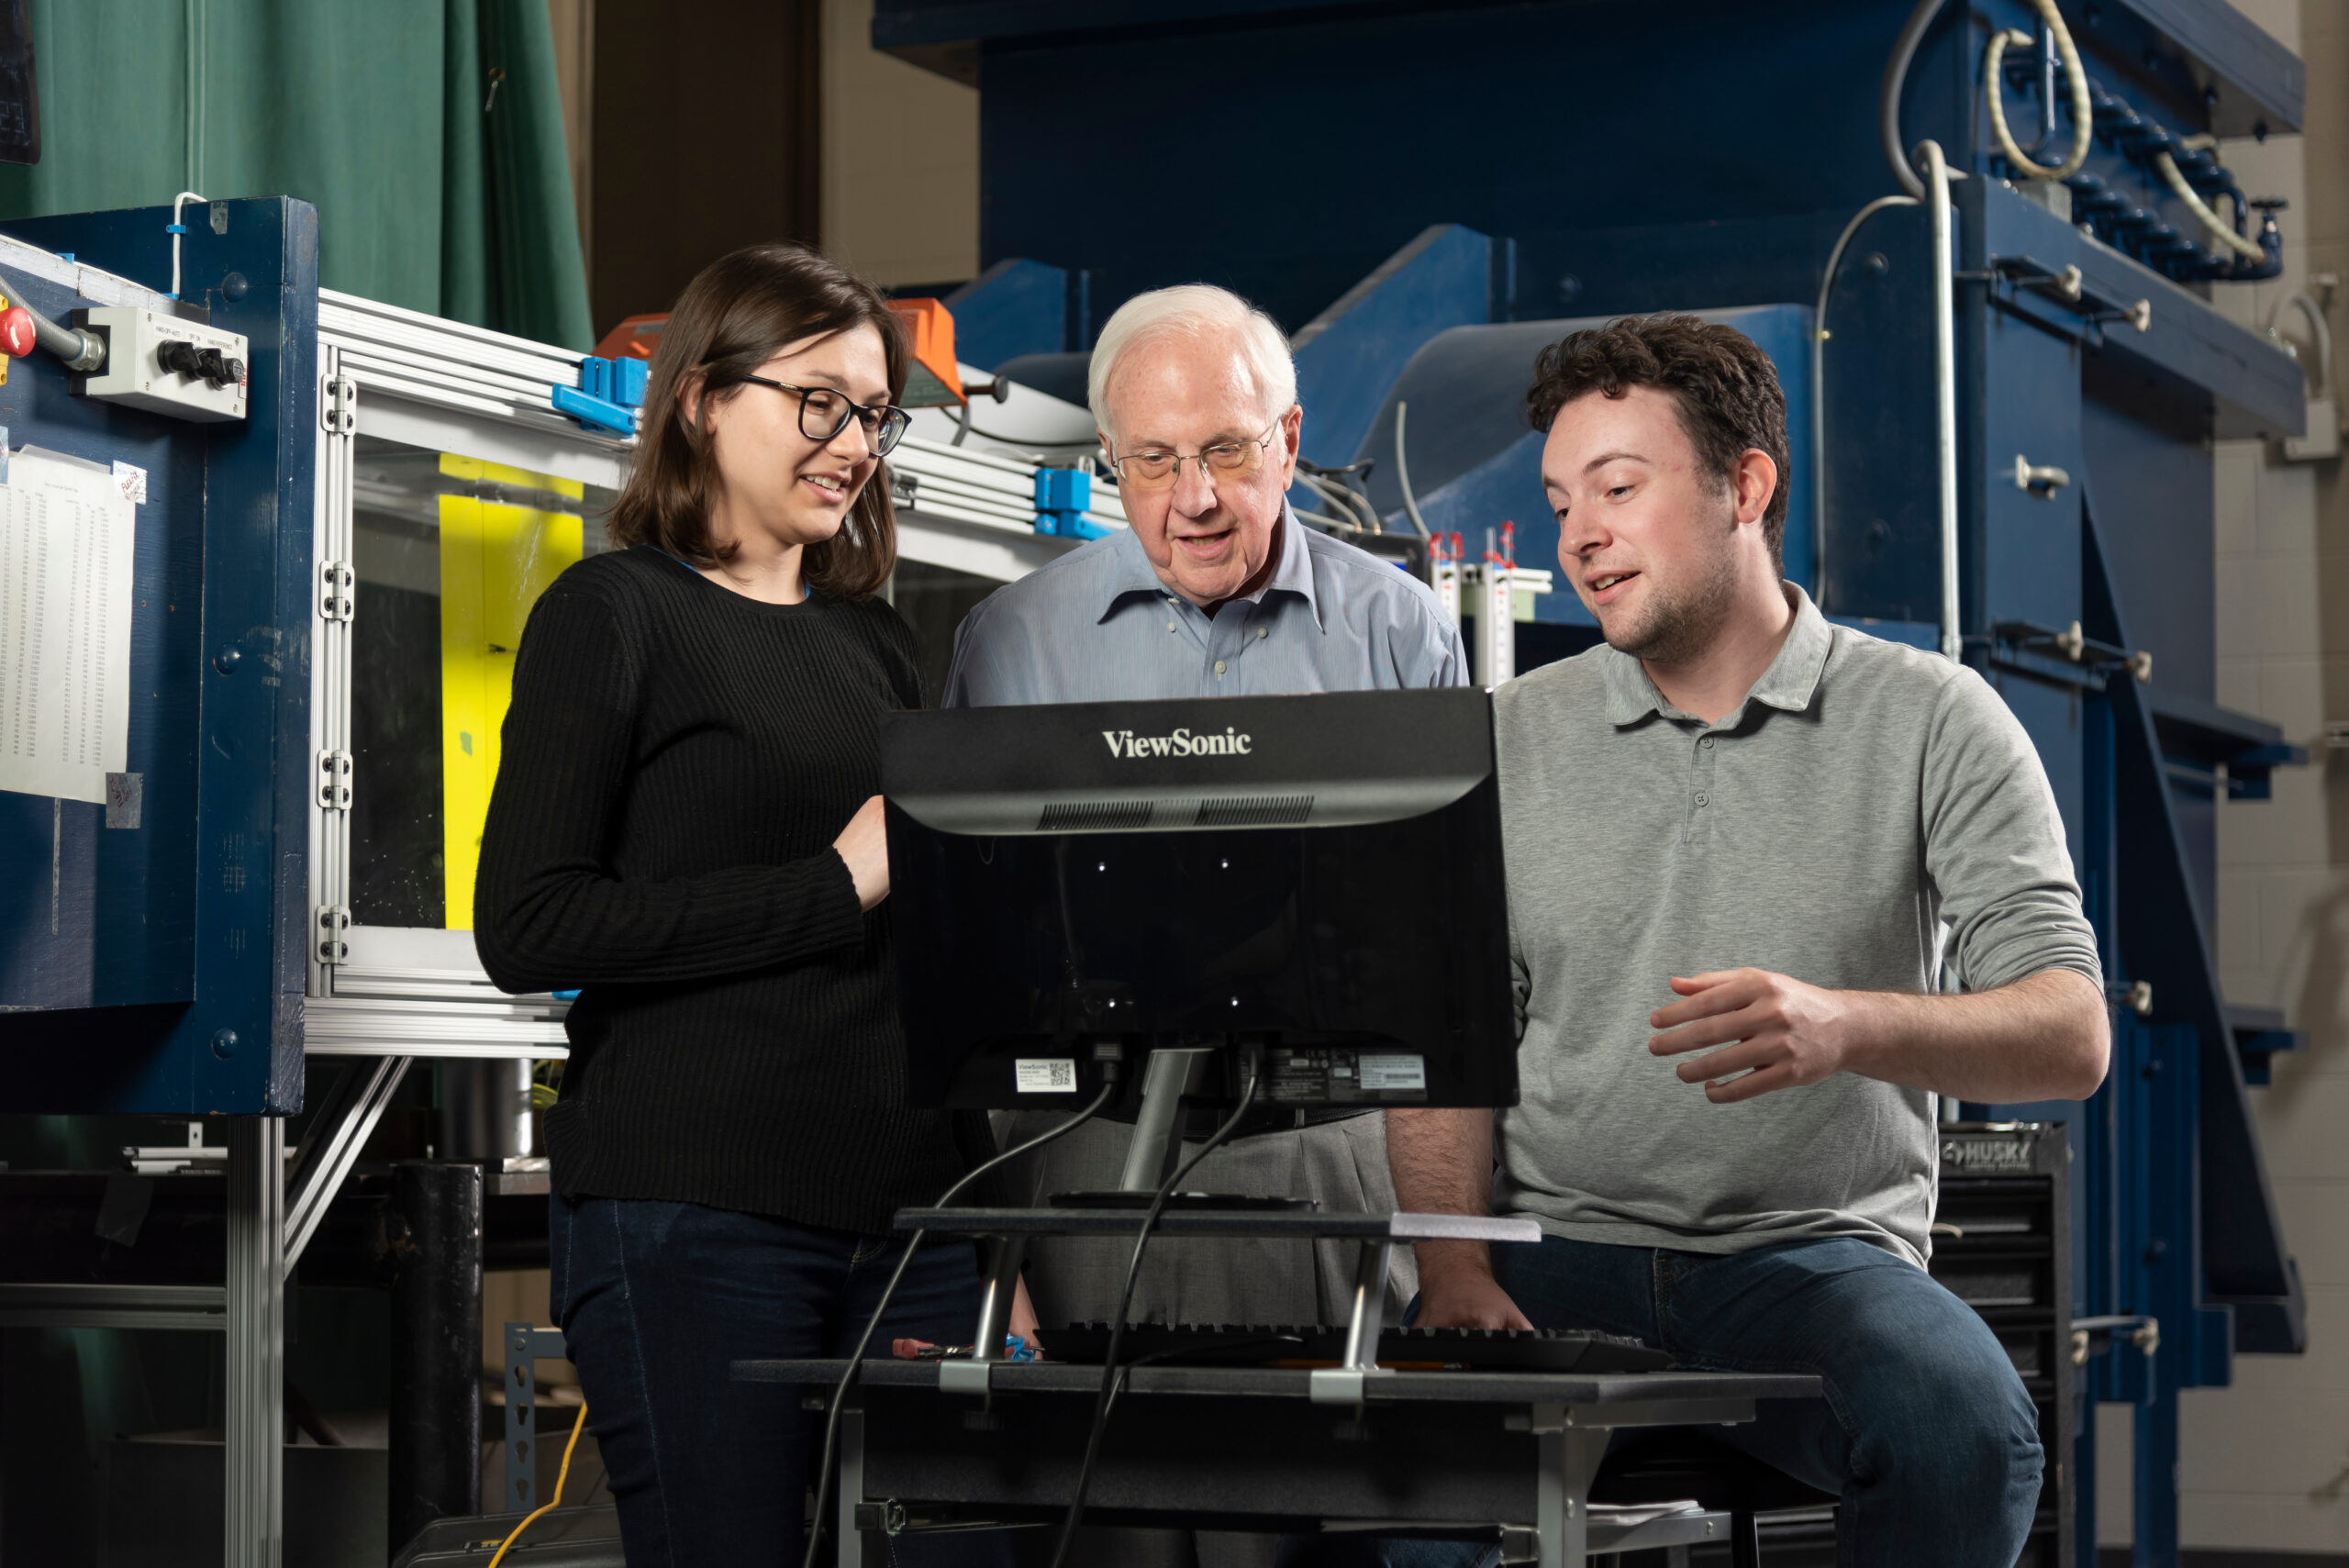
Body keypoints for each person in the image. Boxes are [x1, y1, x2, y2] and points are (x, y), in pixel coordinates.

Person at [1386, 314, 2110, 1568]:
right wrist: (1449, 1260)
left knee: (1967, 1434)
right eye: (1562, 501)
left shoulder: (1934, 718)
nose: (1580, 535)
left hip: (1815, 1265)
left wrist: (1850, 1024)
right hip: (1563, 1255)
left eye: (1618, 487)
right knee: (1393, 1473)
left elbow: (2071, 1029)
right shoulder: (1505, 736)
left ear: (1746, 487)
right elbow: (1440, 1039)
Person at [473, 243, 1008, 1568]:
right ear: (705, 399)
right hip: (697, 1217)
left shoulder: (874, 638)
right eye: (818, 401)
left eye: (875, 414)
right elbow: (531, 924)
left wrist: (992, 1210)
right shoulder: (613, 615)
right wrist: (830, 887)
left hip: (915, 1222)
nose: (853, 442)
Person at [945, 284, 1466, 1568]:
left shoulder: (1398, 629)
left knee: (1299, 1527)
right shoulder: (1009, 644)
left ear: (1288, 437)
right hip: (1085, 1171)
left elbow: (1447, 959)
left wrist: (1450, 1245)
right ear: (1110, 465)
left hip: (1323, 1170)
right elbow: (978, 969)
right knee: (1100, 1534)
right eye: (1154, 459)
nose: (1195, 497)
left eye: (1229, 450)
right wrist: (990, 1254)